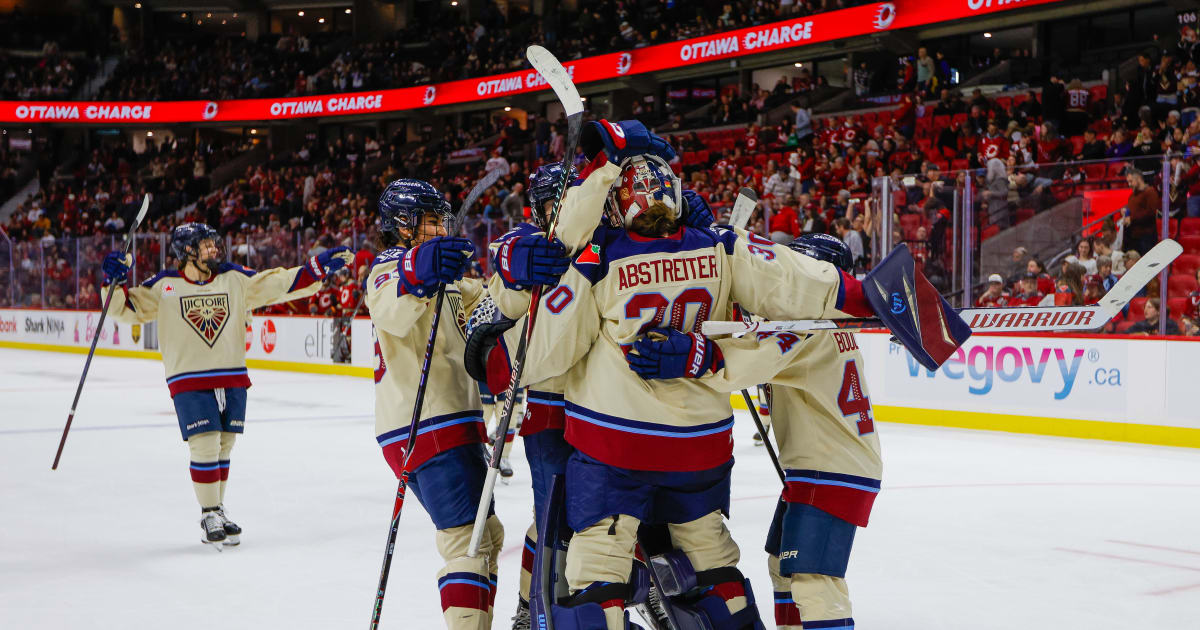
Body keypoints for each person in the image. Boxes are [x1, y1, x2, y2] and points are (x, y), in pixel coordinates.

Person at [472, 119, 967, 630]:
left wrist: (495, 343)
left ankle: (569, 606)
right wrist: (867, 296)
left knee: (593, 567)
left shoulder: (595, 258)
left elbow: (541, 351)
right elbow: (794, 281)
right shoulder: (720, 245)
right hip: (701, 449)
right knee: (710, 562)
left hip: (614, 445)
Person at [636, 233, 881, 630]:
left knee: (815, 580)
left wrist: (698, 353)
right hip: (826, 467)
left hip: (830, 471)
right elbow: (761, 341)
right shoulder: (829, 324)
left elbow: (751, 360)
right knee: (782, 565)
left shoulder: (810, 328)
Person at [100, 223, 351, 547]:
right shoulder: (165, 285)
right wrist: (111, 281)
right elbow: (123, 309)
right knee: (204, 443)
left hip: (231, 373)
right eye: (204, 246)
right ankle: (208, 512)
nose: (213, 250)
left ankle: (217, 508)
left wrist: (315, 269)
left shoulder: (234, 278)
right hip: (188, 377)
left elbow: (276, 283)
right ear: (186, 251)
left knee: (224, 445)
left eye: (213, 244)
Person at [366, 179, 505, 630]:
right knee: (467, 540)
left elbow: (493, 309)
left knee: (486, 535)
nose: (437, 226)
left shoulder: (449, 280)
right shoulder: (388, 267)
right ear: (401, 226)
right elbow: (393, 307)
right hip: (423, 425)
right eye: (428, 219)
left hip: (451, 421)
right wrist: (423, 270)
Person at [477, 162, 596, 628]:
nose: (565, 213)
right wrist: (512, 263)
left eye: (573, 202)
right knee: (553, 521)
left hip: (611, 406)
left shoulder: (602, 244)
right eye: (556, 204)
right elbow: (504, 266)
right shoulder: (527, 246)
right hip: (551, 410)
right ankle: (538, 606)